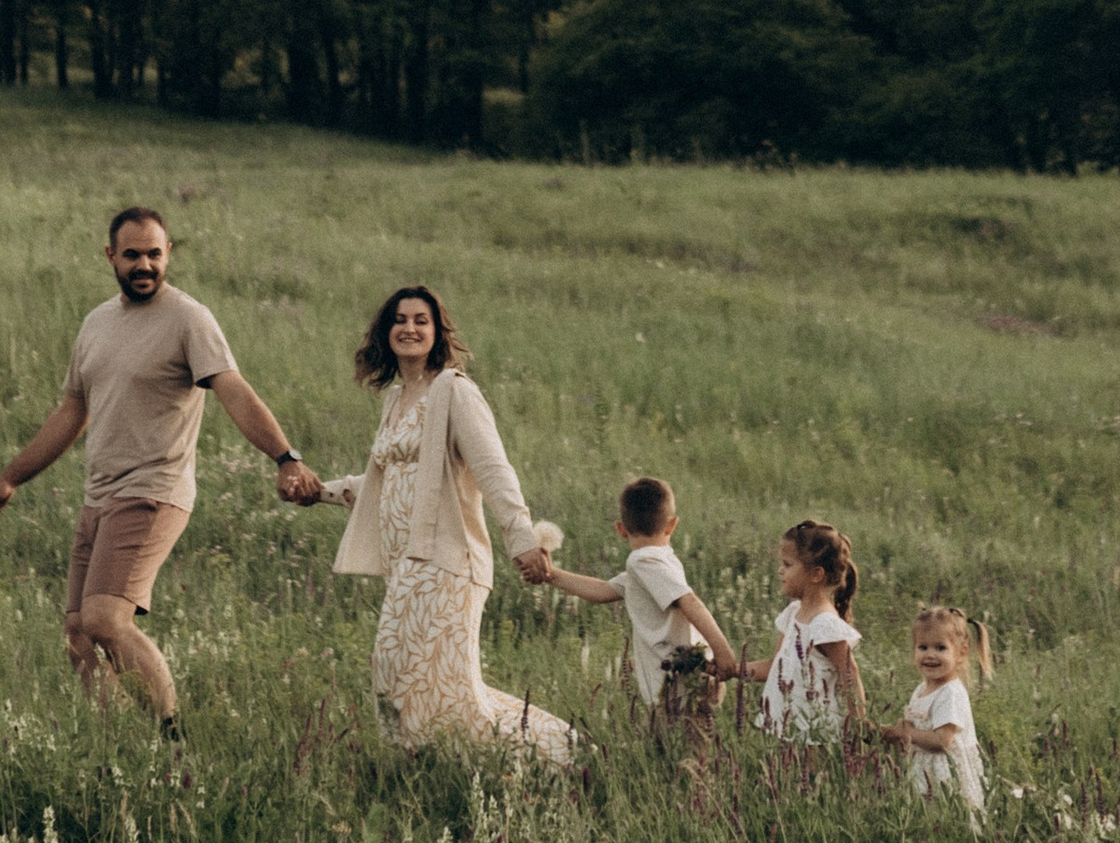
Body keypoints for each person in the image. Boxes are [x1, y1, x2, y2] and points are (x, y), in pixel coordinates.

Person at [0, 203, 318, 731]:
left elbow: (233, 390)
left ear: (168, 254)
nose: (144, 265)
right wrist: (10, 478)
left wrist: (285, 457)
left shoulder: (188, 319)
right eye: (132, 255)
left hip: (153, 491)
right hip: (99, 496)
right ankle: (120, 749)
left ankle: (172, 738)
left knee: (105, 618)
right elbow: (71, 412)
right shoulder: (96, 323)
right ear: (110, 256)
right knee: (78, 634)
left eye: (154, 254)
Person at [314, 287, 576, 762]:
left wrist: (522, 540)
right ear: (385, 332)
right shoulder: (397, 399)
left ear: (437, 334)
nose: (409, 328)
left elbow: (494, 469)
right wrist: (318, 491)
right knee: (428, 684)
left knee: (404, 674)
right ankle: (437, 766)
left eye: (421, 320)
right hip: (408, 565)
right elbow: (378, 482)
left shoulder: (454, 391)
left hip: (448, 563)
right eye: (399, 319)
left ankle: (557, 755)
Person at [538, 475, 743, 721]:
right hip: (678, 683)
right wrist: (552, 575)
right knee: (674, 753)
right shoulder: (655, 562)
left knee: (686, 757)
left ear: (621, 529)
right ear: (672, 525)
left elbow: (689, 601)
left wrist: (722, 650)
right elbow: (604, 590)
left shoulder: (643, 561)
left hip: (679, 685)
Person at [874, 602, 991, 815]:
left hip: (948, 779)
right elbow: (916, 729)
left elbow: (942, 741)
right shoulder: (921, 689)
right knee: (928, 823)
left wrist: (907, 733)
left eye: (940, 648)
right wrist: (885, 732)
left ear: (961, 652)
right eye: (923, 647)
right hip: (927, 774)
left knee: (950, 822)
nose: (930, 655)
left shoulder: (950, 693)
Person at [758, 518, 866, 743]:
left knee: (811, 778)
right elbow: (774, 666)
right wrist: (732, 670)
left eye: (787, 565)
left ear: (816, 574)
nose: (780, 571)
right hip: (785, 729)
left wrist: (859, 729)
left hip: (814, 734)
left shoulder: (824, 624)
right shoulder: (793, 613)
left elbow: (850, 677)